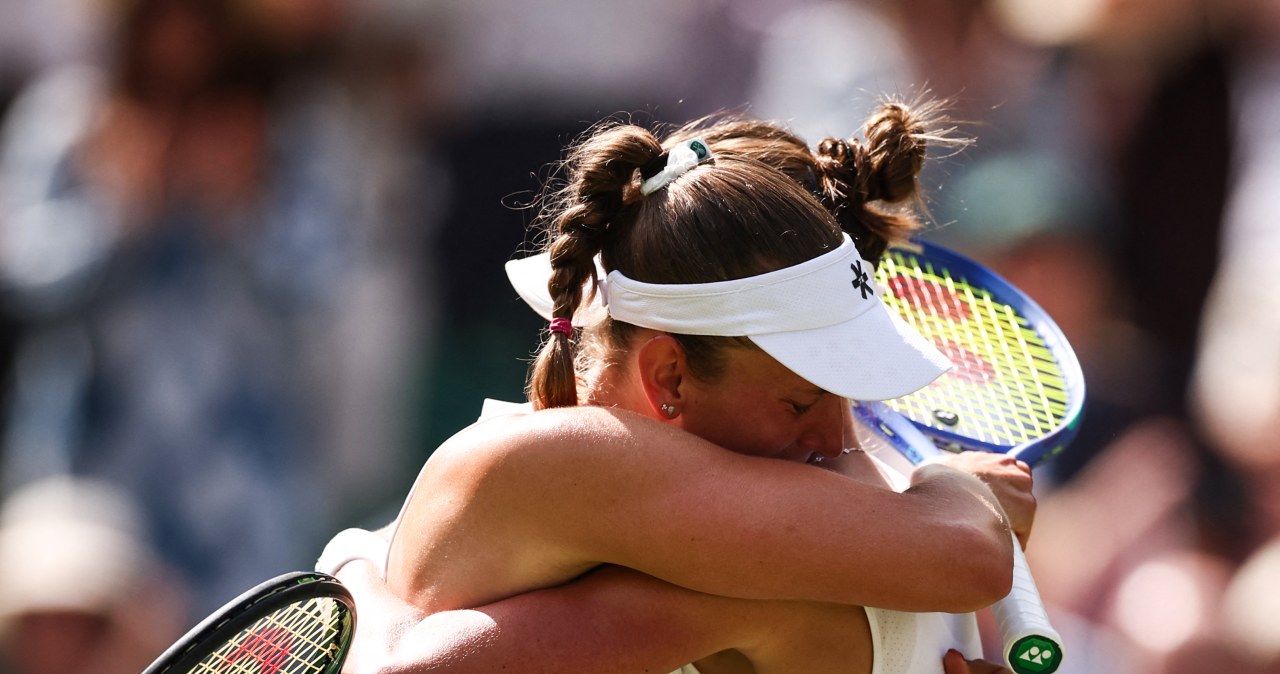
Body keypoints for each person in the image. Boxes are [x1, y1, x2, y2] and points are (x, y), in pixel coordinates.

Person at [321, 100, 1033, 673]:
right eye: (799, 399)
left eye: (843, 396)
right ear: (668, 376)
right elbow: (968, 553)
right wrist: (955, 482)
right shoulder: (577, 462)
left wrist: (357, 582)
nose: (834, 435)